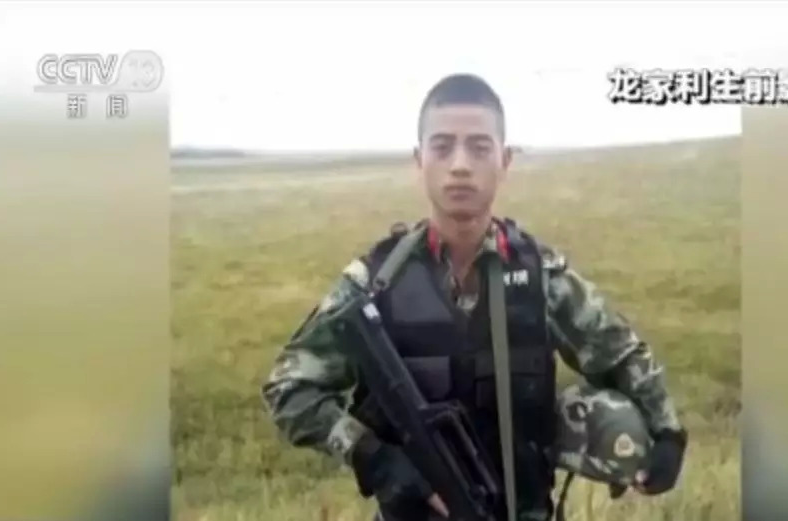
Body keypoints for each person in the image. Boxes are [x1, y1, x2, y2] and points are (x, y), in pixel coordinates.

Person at [261, 73, 687, 521]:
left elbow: (621, 354)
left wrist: (668, 433)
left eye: (479, 148)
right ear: (419, 160)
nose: (460, 165)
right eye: (442, 146)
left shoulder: (540, 276)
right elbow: (290, 389)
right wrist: (377, 460)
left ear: (505, 160)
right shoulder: (373, 283)